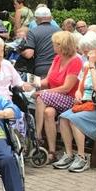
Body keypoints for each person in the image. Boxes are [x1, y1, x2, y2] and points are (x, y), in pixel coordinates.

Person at [57, 34, 96, 173]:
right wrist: (78, 95)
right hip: (86, 106)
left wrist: (91, 66)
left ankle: (82, 157)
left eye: (87, 52)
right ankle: (69, 154)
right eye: (84, 52)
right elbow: (81, 87)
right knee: (63, 117)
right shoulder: (85, 65)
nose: (85, 55)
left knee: (74, 119)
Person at [34, 30, 82, 165]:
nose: (52, 46)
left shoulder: (76, 61)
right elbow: (47, 80)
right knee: (48, 113)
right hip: (55, 98)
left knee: (41, 97)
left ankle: (37, 135)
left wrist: (45, 92)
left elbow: (67, 88)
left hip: (70, 99)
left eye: (55, 44)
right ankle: (52, 152)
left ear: (62, 46)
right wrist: (31, 83)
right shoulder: (57, 58)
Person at [20, 5, 60, 78]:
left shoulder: (32, 32)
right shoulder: (59, 31)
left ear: (36, 19)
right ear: (50, 18)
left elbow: (29, 54)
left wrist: (19, 50)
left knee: (42, 89)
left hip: (41, 68)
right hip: (58, 67)